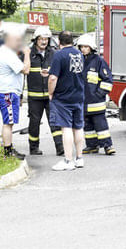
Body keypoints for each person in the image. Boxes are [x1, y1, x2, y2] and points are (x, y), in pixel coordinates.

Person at [48, 30, 86, 171]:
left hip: (64, 97)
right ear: (72, 40)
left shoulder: (59, 55)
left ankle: (68, 160)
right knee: (78, 127)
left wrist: (50, 92)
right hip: (78, 95)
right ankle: (79, 158)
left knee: (66, 128)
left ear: (59, 41)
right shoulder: (79, 54)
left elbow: (53, 78)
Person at [0, 23, 31, 159]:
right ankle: (8, 152)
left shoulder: (5, 52)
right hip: (7, 93)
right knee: (8, 123)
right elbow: (26, 70)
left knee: (9, 122)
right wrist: (27, 54)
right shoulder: (7, 54)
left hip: (9, 92)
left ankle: (8, 148)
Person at [26, 26, 64, 156]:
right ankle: (33, 147)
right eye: (41, 39)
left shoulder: (53, 53)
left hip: (50, 95)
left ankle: (60, 147)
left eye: (46, 39)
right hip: (34, 96)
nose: (44, 42)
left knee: (54, 122)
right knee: (34, 123)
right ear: (36, 40)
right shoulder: (28, 54)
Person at [77, 33, 116, 155]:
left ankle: (107, 146)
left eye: (86, 47)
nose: (83, 49)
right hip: (83, 101)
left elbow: (107, 80)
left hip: (96, 102)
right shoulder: (78, 61)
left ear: (91, 47)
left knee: (101, 125)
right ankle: (92, 145)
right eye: (81, 47)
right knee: (87, 126)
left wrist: (99, 94)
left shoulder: (99, 61)